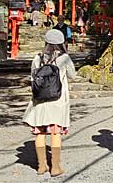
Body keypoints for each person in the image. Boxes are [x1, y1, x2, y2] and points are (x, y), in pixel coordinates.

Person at [22, 29, 76, 177]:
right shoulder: (64, 58)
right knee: (55, 132)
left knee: (39, 133)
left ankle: (41, 166)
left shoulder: (37, 58)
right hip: (57, 101)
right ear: (61, 43)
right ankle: (55, 167)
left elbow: (32, 76)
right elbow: (73, 75)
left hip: (39, 102)